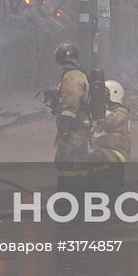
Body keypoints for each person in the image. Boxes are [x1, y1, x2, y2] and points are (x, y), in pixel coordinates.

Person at [46, 42, 94, 193]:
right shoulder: (76, 74)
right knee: (77, 163)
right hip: (79, 127)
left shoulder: (72, 76)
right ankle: (78, 197)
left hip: (74, 128)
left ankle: (68, 199)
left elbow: (70, 103)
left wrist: (65, 127)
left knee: (67, 162)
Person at [89, 79, 131, 198]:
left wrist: (98, 110)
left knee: (110, 184)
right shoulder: (104, 112)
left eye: (105, 93)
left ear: (114, 93)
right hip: (103, 152)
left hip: (116, 153)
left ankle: (112, 202)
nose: (101, 96)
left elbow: (110, 122)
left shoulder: (122, 111)